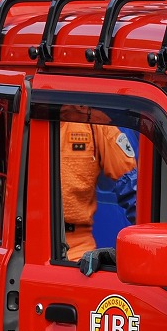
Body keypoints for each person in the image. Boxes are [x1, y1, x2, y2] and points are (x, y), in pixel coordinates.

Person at [59, 107, 137, 260]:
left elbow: (134, 189)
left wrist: (150, 242)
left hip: (77, 251)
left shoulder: (94, 123)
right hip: (21, 248)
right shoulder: (14, 119)